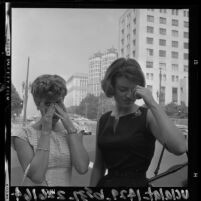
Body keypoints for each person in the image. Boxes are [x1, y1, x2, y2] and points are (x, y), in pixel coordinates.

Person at [90, 58, 187, 187]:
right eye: (123, 89)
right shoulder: (103, 120)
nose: (129, 95)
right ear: (111, 86)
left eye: (134, 90)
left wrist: (152, 102)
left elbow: (180, 147)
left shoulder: (147, 116)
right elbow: (98, 167)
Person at [12, 74, 89, 186]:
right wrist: (46, 132)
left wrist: (70, 128)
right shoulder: (23, 136)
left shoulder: (73, 130)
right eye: (48, 103)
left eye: (58, 102)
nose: (53, 109)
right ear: (38, 105)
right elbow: (37, 177)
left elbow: (82, 168)